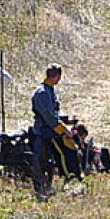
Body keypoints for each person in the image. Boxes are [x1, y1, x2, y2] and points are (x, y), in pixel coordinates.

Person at [31, 64, 71, 199]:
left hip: (49, 129)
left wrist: (67, 120)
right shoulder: (43, 93)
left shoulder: (49, 89)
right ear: (57, 77)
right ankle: (68, 176)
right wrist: (63, 130)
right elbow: (48, 116)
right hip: (45, 131)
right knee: (65, 151)